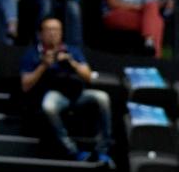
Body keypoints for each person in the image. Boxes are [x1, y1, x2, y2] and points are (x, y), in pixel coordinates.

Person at [20, 18, 113, 163]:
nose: (52, 33)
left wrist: (72, 63)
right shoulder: (32, 53)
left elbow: (88, 77)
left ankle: (103, 150)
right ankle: (72, 150)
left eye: (56, 30)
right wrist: (43, 66)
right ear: (40, 34)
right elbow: (25, 85)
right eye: (49, 29)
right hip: (55, 95)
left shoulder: (72, 50)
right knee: (48, 106)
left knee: (103, 98)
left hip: (77, 94)